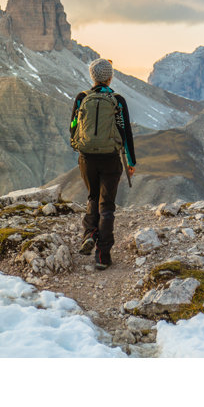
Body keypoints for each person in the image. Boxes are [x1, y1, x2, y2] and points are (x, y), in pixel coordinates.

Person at [69, 57, 136, 269]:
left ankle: (89, 233)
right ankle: (103, 255)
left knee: (92, 197)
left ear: (92, 77)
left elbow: (72, 126)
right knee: (107, 205)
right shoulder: (118, 100)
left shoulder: (81, 98)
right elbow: (125, 132)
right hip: (110, 159)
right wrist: (131, 162)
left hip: (87, 158)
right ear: (109, 77)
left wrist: (79, 146)